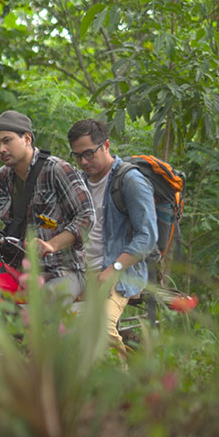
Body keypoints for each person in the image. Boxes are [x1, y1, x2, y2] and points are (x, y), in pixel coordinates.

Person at [0, 110, 95, 304]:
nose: (1, 149)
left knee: (42, 309)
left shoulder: (57, 170)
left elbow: (86, 216)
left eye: (7, 141)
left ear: (27, 138)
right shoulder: (2, 176)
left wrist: (52, 245)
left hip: (63, 271)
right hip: (20, 271)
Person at [67, 118, 157, 356]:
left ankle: (121, 378)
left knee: (102, 331)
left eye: (89, 153)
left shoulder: (130, 181)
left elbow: (147, 237)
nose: (83, 161)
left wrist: (113, 270)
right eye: (77, 156)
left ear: (106, 145)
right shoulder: (79, 183)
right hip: (80, 272)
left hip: (118, 272)